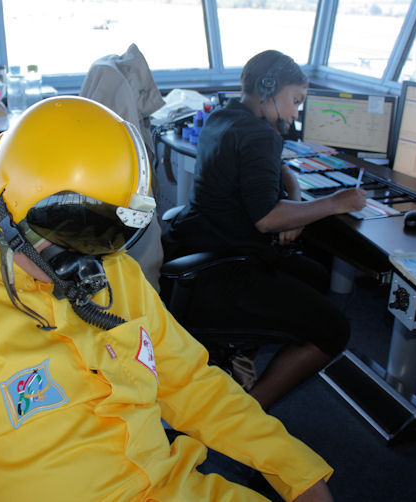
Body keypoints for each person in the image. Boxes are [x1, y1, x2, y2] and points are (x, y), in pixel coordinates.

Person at [0, 96, 334, 501]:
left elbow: (193, 383)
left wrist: (299, 472)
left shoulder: (115, 272)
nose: (93, 259)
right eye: (79, 234)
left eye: (109, 238)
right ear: (12, 212)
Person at [161, 50, 367, 411]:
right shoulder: (259, 134)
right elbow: (267, 219)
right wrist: (338, 202)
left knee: (314, 275)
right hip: (224, 270)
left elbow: (277, 170)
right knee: (335, 330)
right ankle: (242, 420)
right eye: (295, 100)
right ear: (269, 87)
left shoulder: (224, 117)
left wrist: (295, 204)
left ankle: (237, 356)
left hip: (197, 243)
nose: (296, 112)